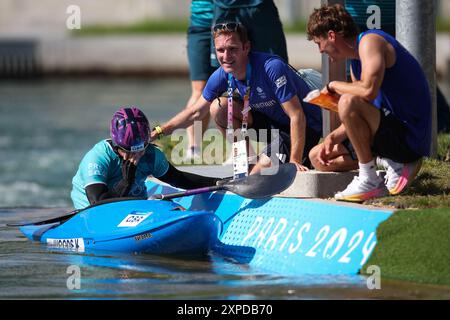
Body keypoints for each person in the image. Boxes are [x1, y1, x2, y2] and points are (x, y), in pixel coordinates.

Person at [151, 22, 322, 173]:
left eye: (232, 49)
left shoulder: (272, 68)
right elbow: (195, 112)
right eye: (220, 50)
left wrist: (295, 161)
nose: (226, 57)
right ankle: (247, 160)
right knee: (218, 107)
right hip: (271, 123)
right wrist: (158, 132)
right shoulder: (221, 75)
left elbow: (296, 115)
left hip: (305, 127)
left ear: (246, 47)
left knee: (261, 173)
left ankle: (287, 160)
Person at [306, 4, 431, 202]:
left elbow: (368, 91)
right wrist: (333, 138)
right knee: (318, 157)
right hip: (387, 130)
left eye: (318, 43)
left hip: (409, 138)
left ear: (331, 35)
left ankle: (370, 178)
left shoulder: (370, 42)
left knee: (347, 100)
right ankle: (384, 163)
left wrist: (334, 85)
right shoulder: (355, 61)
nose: (321, 50)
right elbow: (362, 109)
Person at [183, 0, 290, 163]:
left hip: (256, 8)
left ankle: (283, 140)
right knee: (213, 90)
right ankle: (207, 149)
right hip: (214, 14)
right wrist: (162, 130)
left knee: (274, 75)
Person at [71, 107, 221, 209]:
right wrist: (125, 182)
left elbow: (179, 179)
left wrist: (218, 182)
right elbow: (97, 203)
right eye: (129, 152)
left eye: (140, 150)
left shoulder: (151, 154)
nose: (136, 156)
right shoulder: (97, 157)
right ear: (117, 146)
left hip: (134, 206)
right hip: (92, 211)